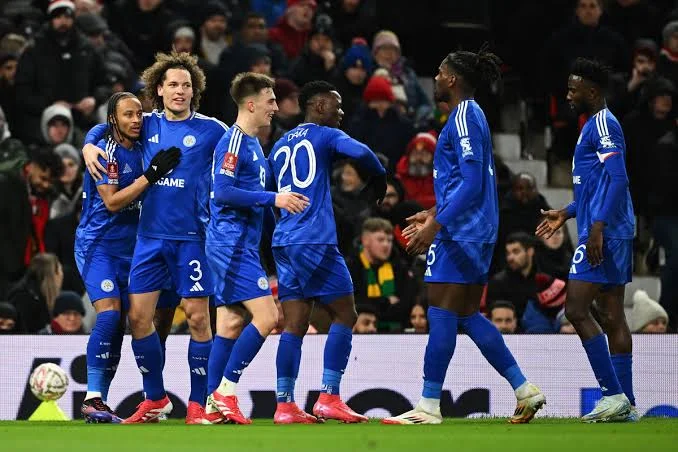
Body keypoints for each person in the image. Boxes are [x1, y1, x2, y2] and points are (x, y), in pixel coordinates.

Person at [383, 49, 545, 425]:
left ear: (453, 79)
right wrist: (433, 212)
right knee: (468, 314)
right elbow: (466, 183)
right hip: (473, 228)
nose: (436, 78)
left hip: (462, 232)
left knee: (440, 310)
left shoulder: (464, 116)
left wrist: (436, 225)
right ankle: (524, 389)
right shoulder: (471, 114)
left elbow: (471, 183)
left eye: (440, 73)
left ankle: (428, 405)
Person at [81, 51, 228, 424]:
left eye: (186, 85)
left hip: (192, 238)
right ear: (159, 90)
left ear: (194, 91)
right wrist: (88, 143)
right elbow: (106, 127)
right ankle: (156, 398)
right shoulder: (145, 124)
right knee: (138, 318)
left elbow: (241, 150)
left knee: (198, 318)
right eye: (173, 84)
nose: (180, 91)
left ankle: (198, 404)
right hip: (147, 240)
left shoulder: (213, 130)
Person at [268, 80, 386, 424]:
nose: (342, 112)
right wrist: (380, 178)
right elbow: (362, 153)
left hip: (284, 240)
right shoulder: (324, 134)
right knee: (346, 314)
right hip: (314, 240)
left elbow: (271, 195)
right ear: (319, 106)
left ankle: (285, 405)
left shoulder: (279, 145)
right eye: (337, 105)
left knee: (294, 324)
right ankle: (329, 397)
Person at [203, 72, 308, 425]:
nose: (275, 107)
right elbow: (223, 192)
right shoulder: (233, 141)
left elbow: (255, 204)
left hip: (239, 244)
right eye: (270, 100)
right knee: (267, 317)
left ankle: (210, 406)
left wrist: (276, 240)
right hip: (229, 244)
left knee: (231, 323)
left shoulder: (253, 146)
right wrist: (274, 198)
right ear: (251, 104)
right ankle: (225, 392)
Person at [537, 58, 636, 422]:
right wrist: (567, 212)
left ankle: (612, 395)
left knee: (576, 310)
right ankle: (627, 404)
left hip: (604, 232)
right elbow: (597, 186)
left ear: (592, 92)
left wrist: (597, 227)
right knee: (611, 316)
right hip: (609, 227)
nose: (568, 95)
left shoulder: (604, 124)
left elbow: (619, 178)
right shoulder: (592, 125)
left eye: (573, 89)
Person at [75, 92, 180, 423]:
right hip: (99, 245)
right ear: (113, 120)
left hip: (135, 248)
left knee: (136, 323)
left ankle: (135, 400)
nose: (136, 120)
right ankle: (92, 397)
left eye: (139, 114)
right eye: (128, 115)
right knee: (109, 316)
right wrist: (150, 176)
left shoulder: (145, 142)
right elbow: (112, 202)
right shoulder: (106, 150)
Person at [7, 253, 63, 333]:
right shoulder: (24, 298)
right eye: (60, 271)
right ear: (51, 275)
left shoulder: (40, 295)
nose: (62, 275)